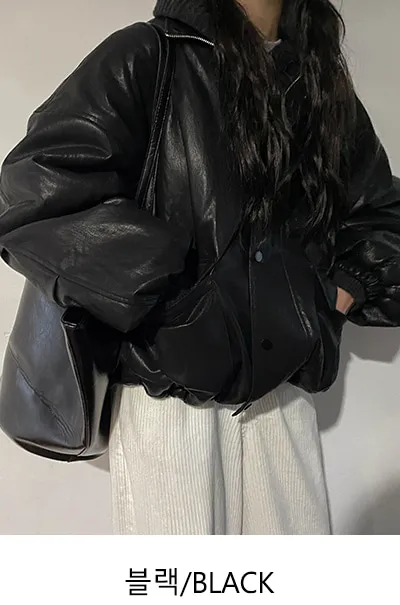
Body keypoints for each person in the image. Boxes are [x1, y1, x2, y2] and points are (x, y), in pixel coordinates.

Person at [1, 0, 400, 535]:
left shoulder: (318, 85)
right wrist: (170, 290)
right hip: (170, 408)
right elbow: (36, 190)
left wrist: (336, 297)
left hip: (284, 403)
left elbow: (380, 215)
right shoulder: (150, 55)